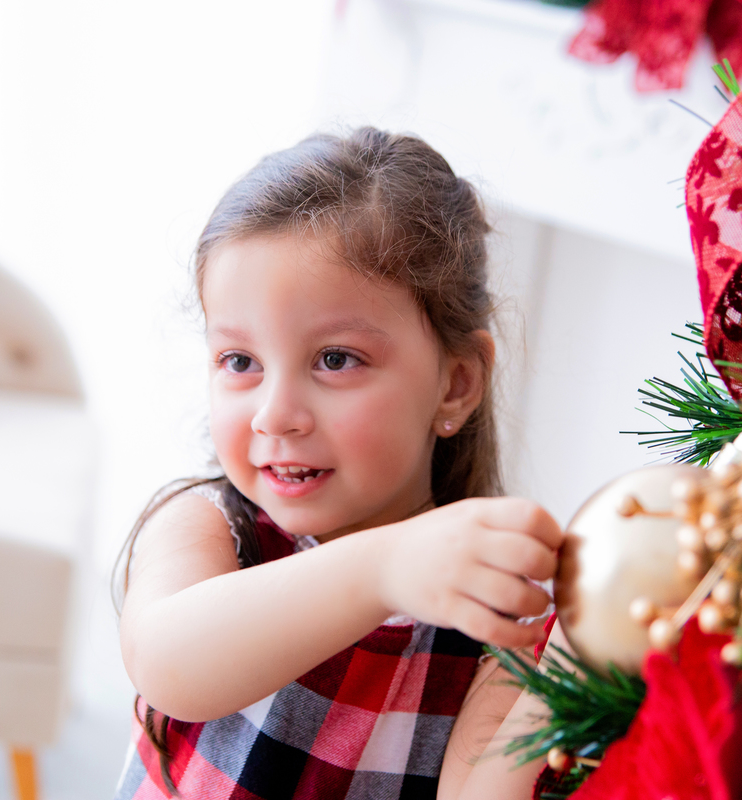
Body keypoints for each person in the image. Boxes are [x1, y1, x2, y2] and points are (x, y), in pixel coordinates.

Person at [113, 127, 575, 800]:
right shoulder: (207, 526)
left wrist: (576, 655)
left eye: (335, 359)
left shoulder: (489, 608)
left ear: (455, 385)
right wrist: (387, 568)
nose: (276, 413)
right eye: (240, 361)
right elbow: (169, 662)